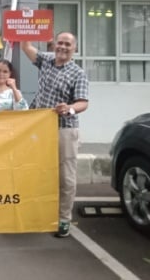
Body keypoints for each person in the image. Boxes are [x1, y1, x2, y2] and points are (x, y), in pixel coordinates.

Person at [20, 32, 89, 238]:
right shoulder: (47, 61)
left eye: (67, 44)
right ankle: (39, 213)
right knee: (37, 171)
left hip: (64, 129)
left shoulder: (78, 73)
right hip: (41, 129)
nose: (63, 47)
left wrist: (69, 108)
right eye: (60, 43)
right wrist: (26, 26)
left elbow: (83, 102)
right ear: (54, 45)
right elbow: (27, 47)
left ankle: (63, 219)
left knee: (65, 176)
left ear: (74, 49)